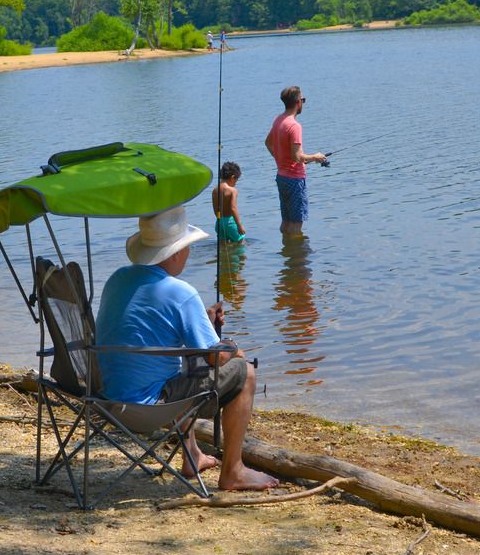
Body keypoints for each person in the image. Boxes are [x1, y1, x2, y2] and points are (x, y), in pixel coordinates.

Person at [95, 206, 279, 491]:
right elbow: (214, 357)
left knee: (179, 366)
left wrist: (202, 322)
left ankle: (192, 455)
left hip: (106, 398)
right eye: (187, 248)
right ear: (177, 252)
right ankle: (233, 471)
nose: (189, 253)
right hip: (149, 408)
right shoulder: (181, 292)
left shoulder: (117, 279)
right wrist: (232, 347)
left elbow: (150, 330)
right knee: (246, 373)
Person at [264, 86, 327, 236]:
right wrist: (316, 157)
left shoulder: (278, 120)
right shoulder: (294, 126)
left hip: (282, 178)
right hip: (295, 180)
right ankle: (296, 258)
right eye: (303, 100)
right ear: (298, 102)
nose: (303, 103)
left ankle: (287, 253)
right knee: (296, 225)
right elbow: (297, 157)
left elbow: (268, 143)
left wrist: (280, 159)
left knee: (286, 222)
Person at [212, 161, 246, 243]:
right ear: (232, 177)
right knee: (241, 243)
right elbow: (233, 209)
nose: (235, 184)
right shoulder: (232, 191)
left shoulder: (215, 190)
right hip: (230, 223)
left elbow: (215, 210)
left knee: (223, 247)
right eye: (236, 181)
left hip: (219, 222)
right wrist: (239, 225)